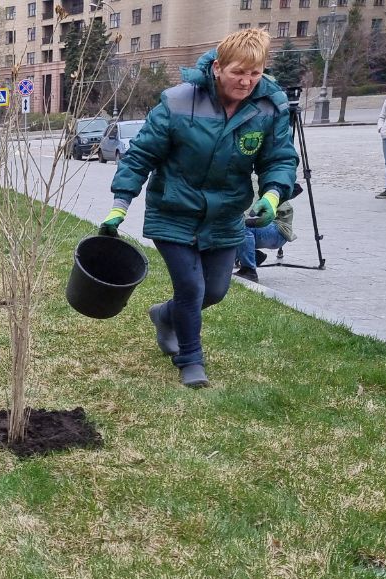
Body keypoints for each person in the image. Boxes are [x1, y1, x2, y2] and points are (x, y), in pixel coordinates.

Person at [97, 28, 298, 388]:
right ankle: (191, 360)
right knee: (191, 288)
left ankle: (165, 314)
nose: (247, 81)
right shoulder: (178, 101)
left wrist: (271, 195)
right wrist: (120, 204)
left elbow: (280, 158)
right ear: (219, 67)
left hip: (224, 217)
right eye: (239, 72)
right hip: (173, 212)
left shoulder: (269, 107)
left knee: (215, 291)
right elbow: (140, 154)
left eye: (255, 73)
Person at [234, 195, 295, 283]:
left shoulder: (252, 184)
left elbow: (247, 214)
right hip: (273, 229)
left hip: (277, 229)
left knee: (238, 226)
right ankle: (254, 256)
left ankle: (249, 271)